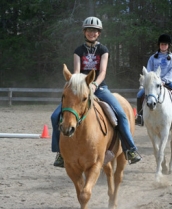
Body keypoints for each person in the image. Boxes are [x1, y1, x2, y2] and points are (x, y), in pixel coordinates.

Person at [51, 16, 141, 167]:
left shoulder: (103, 50)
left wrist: (94, 85)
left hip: (99, 88)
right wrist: (80, 85)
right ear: (84, 32)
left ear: (99, 33)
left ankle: (130, 149)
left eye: (95, 31)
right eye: (89, 30)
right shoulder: (78, 51)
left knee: (120, 114)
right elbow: (77, 71)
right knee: (55, 116)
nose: (92, 33)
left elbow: (103, 71)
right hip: (80, 89)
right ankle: (60, 153)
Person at [135, 34, 172, 125]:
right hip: (154, 83)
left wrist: (164, 80)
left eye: (165, 44)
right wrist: (152, 81)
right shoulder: (152, 58)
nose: (163, 46)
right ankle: (140, 116)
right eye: (161, 44)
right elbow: (149, 71)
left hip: (168, 81)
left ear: (168, 46)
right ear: (159, 45)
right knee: (139, 94)